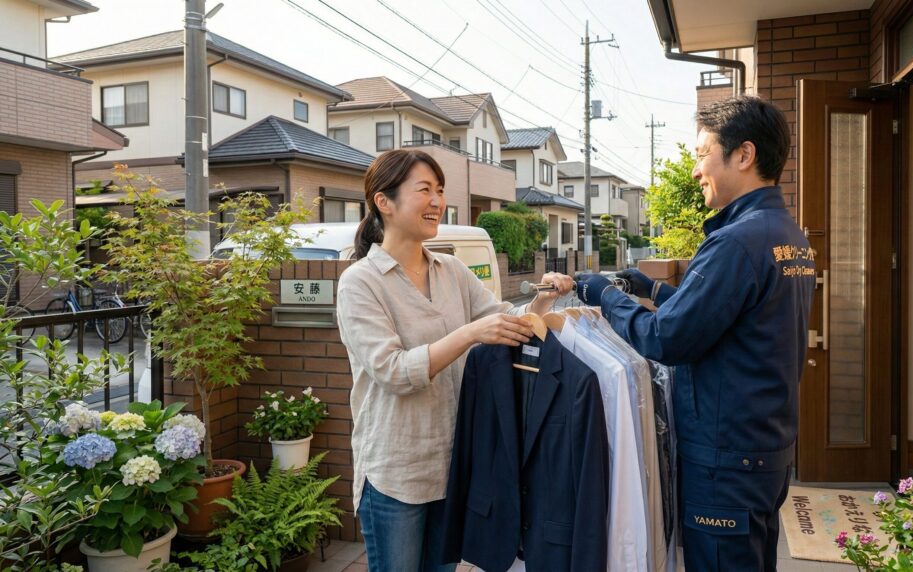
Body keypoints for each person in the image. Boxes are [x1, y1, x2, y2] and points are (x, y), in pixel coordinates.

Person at [575, 96, 815, 571]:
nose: (694, 170)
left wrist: (606, 295)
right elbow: (732, 317)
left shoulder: (736, 241)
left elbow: (666, 339)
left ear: (743, 155)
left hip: (726, 463)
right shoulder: (787, 235)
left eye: (703, 153)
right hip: (764, 449)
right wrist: (655, 290)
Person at [336, 149, 573, 572]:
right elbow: (392, 371)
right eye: (424, 189)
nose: (436, 201)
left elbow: (507, 320)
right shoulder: (360, 282)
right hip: (396, 472)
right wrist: (468, 335)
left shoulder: (451, 269)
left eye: (440, 190)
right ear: (383, 201)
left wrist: (542, 299)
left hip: (453, 463)